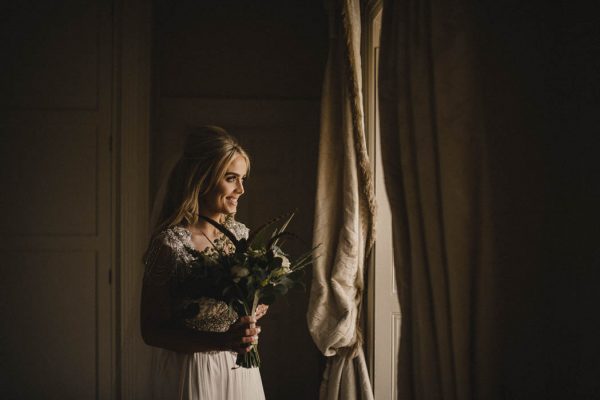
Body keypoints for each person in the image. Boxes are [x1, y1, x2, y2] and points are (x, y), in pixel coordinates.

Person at [141, 126, 267, 399]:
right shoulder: (169, 245)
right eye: (231, 178)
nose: (241, 189)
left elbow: (243, 297)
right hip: (191, 372)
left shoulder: (242, 237)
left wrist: (254, 304)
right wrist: (221, 341)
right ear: (203, 179)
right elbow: (151, 331)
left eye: (243, 179)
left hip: (240, 370)